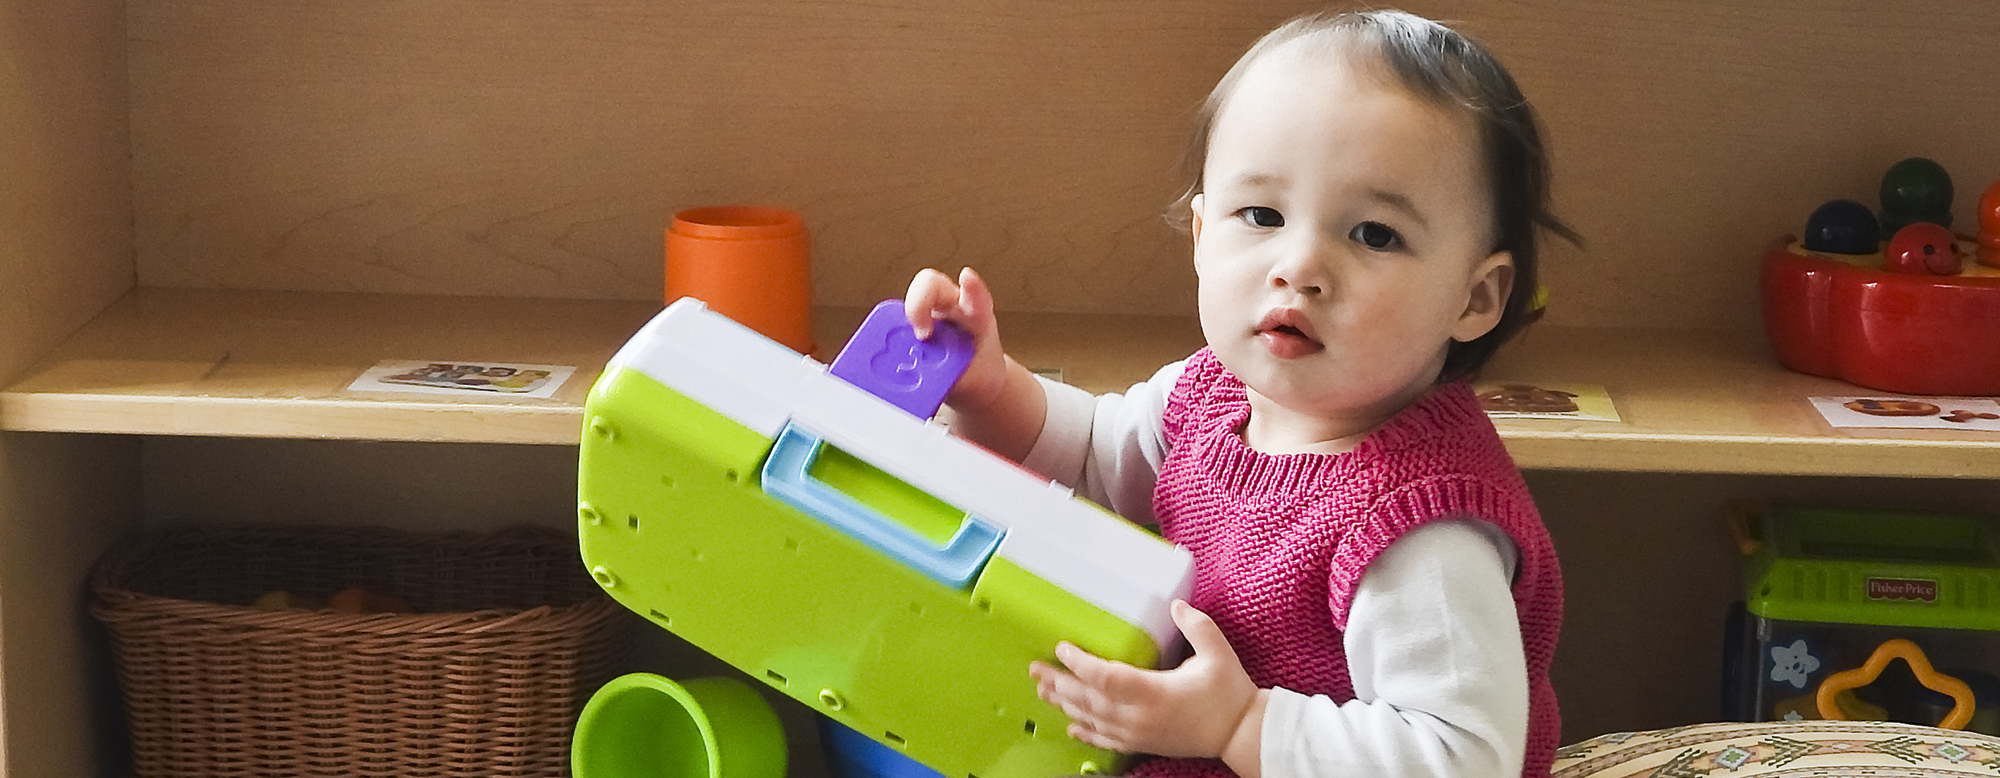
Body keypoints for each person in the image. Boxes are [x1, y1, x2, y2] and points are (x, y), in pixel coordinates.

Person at [902, 9, 1571, 778]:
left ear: (1475, 298)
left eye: (1374, 234)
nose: (1300, 265)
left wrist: (1241, 723)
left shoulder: (1420, 531)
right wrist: (990, 388)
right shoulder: (1213, 394)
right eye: (1262, 215)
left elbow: (1462, 759)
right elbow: (1093, 452)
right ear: (1199, 239)